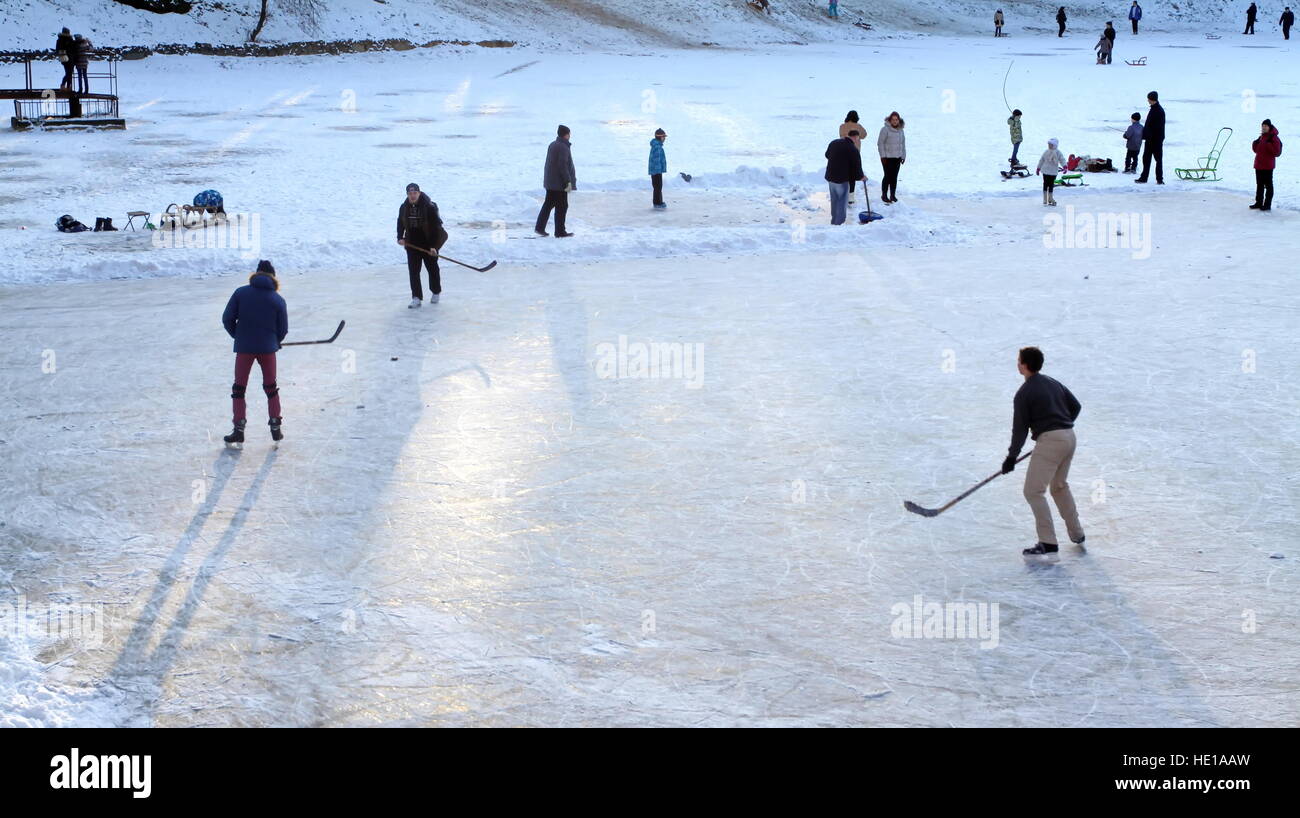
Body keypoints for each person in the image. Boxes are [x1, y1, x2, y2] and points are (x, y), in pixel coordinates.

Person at [1001, 346, 1084, 559]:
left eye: (1019, 361)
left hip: (1052, 441)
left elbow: (1019, 429)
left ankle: (1047, 541)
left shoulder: (1024, 393)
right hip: (1069, 436)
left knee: (1033, 491)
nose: (1017, 364)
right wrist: (1061, 425)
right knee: (1059, 486)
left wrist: (1011, 457)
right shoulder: (1052, 382)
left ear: (1026, 364)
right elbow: (1076, 406)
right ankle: (1077, 533)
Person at [221, 260, 288, 445]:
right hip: (268, 350)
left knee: (239, 389)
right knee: (271, 388)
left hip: (244, 349)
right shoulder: (277, 299)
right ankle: (275, 427)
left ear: (256, 274)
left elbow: (227, 319)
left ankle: (238, 430)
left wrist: (239, 337)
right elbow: (283, 329)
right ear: (273, 277)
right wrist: (275, 342)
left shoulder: (241, 293)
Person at [396, 183, 446, 307]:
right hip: (412, 243)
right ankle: (416, 297)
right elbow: (400, 222)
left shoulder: (429, 206)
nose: (412, 196)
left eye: (414, 193)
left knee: (432, 269)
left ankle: (435, 291)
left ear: (419, 192)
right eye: (409, 194)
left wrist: (434, 246)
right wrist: (400, 237)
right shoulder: (404, 207)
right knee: (413, 271)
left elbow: (436, 227)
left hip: (428, 242)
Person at [535, 124, 576, 238]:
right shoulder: (563, 147)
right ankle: (560, 231)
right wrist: (568, 181)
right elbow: (562, 166)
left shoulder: (553, 144)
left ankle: (539, 228)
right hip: (559, 184)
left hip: (551, 182)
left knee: (548, 204)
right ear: (566, 135)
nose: (570, 136)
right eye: (569, 134)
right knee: (562, 206)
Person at [824, 129, 865, 224]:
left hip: (831, 177)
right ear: (855, 137)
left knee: (834, 200)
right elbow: (857, 166)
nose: (857, 140)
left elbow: (827, 155)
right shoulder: (853, 149)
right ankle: (839, 224)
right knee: (842, 201)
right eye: (857, 139)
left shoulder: (834, 142)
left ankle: (834, 220)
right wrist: (861, 176)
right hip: (842, 179)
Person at [1251, 119, 1282, 211]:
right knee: (1259, 185)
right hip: (1259, 165)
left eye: (1265, 126)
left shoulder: (1274, 138)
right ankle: (1259, 203)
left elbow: (1276, 152)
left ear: (1269, 127)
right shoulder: (1262, 137)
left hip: (1268, 166)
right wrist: (1254, 143)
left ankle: (1267, 205)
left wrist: (1268, 145)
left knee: (1268, 186)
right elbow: (1257, 150)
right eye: (1263, 126)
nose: (1264, 127)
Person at [1135, 91, 1165, 184]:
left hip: (1156, 140)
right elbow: (1149, 125)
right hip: (1150, 139)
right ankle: (1144, 178)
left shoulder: (1159, 111)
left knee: (1158, 160)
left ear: (1152, 99)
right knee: (1146, 159)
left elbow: (1156, 127)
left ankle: (1159, 179)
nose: (1147, 100)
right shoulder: (1153, 109)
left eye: (1148, 98)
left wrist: (1148, 135)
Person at [877, 111, 906, 204]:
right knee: (887, 176)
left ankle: (892, 195)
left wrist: (903, 155)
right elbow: (880, 143)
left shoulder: (901, 130)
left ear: (899, 120)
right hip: (887, 158)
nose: (895, 121)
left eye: (896, 119)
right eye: (893, 119)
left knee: (894, 177)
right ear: (890, 120)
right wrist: (883, 156)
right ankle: (884, 195)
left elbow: (903, 144)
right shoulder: (885, 129)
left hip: (897, 157)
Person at [840, 110, 864, 203]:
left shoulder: (842, 126)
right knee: (852, 176)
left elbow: (841, 136)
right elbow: (864, 135)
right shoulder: (858, 126)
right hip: (855, 153)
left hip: (843, 152)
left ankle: (843, 194)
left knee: (844, 174)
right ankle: (851, 197)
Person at [1036, 138, 1065, 206]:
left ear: (1054, 145)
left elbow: (1062, 159)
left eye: (1051, 144)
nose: (1049, 146)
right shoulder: (1046, 152)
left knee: (1051, 184)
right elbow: (1041, 160)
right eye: (1048, 144)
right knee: (1045, 184)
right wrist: (1038, 168)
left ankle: (1050, 198)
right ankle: (1045, 199)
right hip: (1045, 171)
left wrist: (1065, 166)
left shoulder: (1058, 152)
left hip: (1053, 171)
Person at [648, 128, 668, 209]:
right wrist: (658, 170)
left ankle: (658, 202)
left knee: (658, 186)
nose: (665, 139)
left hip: (656, 170)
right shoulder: (657, 147)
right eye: (663, 137)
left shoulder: (657, 146)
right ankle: (657, 203)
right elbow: (656, 160)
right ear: (660, 137)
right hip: (656, 170)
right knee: (658, 186)